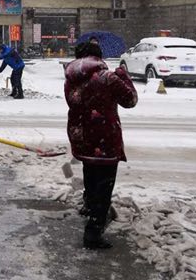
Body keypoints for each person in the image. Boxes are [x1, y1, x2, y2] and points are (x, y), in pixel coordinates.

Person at [65, 41, 138, 249]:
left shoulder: (71, 78)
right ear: (98, 57)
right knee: (104, 183)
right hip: (105, 136)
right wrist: (124, 76)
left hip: (81, 134)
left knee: (90, 172)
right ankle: (94, 232)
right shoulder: (107, 78)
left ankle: (89, 206)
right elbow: (130, 100)